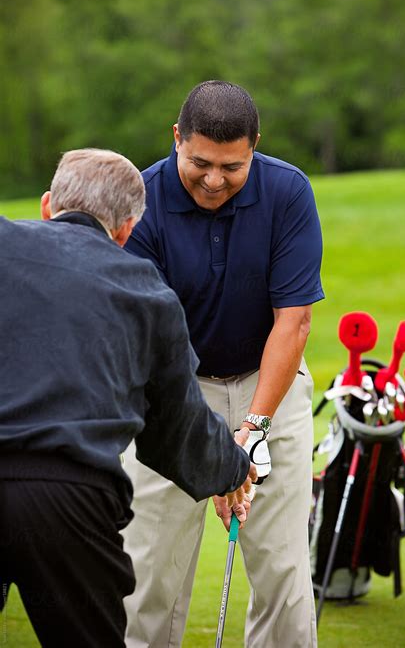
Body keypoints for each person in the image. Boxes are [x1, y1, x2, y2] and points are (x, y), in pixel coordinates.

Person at [0, 148, 256, 648]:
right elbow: (175, 426)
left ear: (47, 205)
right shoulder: (149, 294)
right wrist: (232, 469)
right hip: (70, 493)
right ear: (126, 230)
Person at [122, 81, 324, 647]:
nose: (214, 180)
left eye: (232, 166)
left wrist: (253, 428)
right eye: (200, 163)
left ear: (255, 146)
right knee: (150, 573)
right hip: (171, 391)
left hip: (270, 386)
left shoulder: (287, 191)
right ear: (177, 138)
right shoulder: (140, 198)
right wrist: (206, 446)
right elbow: (150, 336)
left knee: (284, 572)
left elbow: (295, 322)